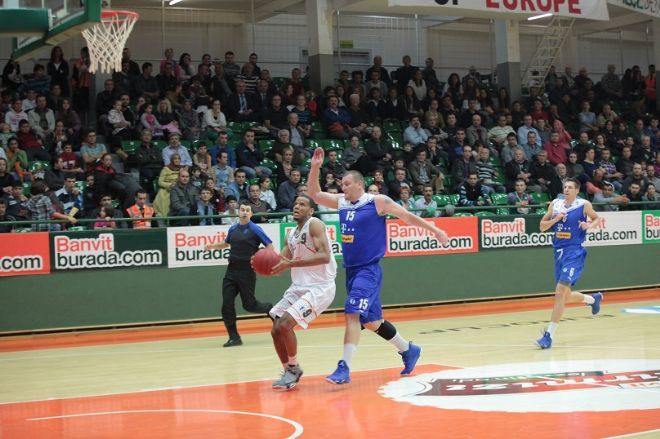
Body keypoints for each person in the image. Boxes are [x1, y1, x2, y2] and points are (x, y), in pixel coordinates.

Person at [307, 147, 449, 384]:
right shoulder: (342, 202)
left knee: (352, 313)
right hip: (351, 271)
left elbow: (408, 217)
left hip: (368, 270)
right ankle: (408, 349)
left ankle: (344, 367)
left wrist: (435, 230)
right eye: (342, 184)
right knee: (372, 322)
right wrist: (315, 167)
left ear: (359, 185)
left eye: (346, 184)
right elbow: (314, 193)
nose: (343, 188)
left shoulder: (377, 202)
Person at [268, 195, 337, 390]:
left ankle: (293, 368)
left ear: (311, 210)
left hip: (320, 287)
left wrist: (292, 263)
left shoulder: (315, 225)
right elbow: (281, 262)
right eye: (295, 203)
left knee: (285, 324)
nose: (297, 206)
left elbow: (324, 256)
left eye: (302, 204)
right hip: (298, 287)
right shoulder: (290, 234)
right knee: (276, 329)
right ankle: (289, 371)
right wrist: (262, 262)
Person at [536, 178, 603, 349]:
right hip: (558, 252)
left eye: (570, 187)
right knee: (565, 296)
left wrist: (589, 225)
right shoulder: (555, 204)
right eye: (565, 187)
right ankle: (592, 299)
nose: (566, 189)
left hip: (574, 252)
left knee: (559, 293)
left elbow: (597, 218)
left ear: (577, 190)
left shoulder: (583, 204)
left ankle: (548, 336)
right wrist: (556, 219)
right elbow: (542, 226)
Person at [204, 202, 274, 347]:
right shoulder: (233, 228)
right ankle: (234, 337)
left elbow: (270, 246)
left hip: (247, 271)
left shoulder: (255, 229)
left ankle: (270, 309)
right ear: (238, 212)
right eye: (242, 210)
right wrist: (212, 246)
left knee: (249, 305)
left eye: (247, 210)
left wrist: (260, 255)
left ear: (251, 214)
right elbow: (226, 243)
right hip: (231, 270)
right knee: (227, 304)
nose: (244, 212)